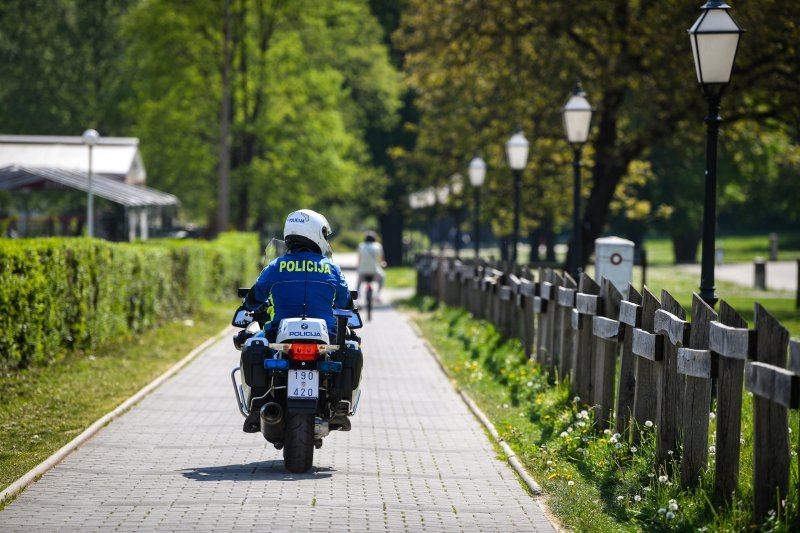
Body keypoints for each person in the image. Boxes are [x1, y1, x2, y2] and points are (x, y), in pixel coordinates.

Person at [243, 209, 350, 340]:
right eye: (324, 234)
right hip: (327, 335)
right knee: (350, 342)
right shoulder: (332, 268)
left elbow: (253, 301)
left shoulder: (275, 266)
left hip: (278, 335)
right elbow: (344, 303)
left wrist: (249, 302)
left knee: (252, 342)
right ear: (315, 233)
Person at [356, 230, 386, 302]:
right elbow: (381, 259)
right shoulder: (378, 246)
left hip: (363, 271)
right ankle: (378, 295)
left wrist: (358, 267)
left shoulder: (361, 246)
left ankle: (359, 298)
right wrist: (382, 263)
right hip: (375, 271)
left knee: (358, 283)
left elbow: (359, 259)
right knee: (383, 276)